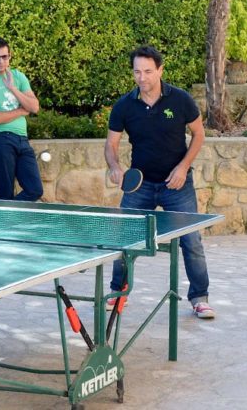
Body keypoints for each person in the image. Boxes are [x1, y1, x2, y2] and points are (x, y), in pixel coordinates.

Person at [104, 45, 214, 319]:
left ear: (160, 70)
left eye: (148, 71)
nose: (142, 77)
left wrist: (183, 167)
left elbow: (199, 134)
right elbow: (111, 143)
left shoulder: (181, 99)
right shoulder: (124, 106)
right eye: (137, 72)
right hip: (139, 186)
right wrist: (115, 167)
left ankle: (200, 298)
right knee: (125, 238)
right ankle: (118, 292)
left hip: (177, 185)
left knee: (191, 240)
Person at [0, 36, 43, 201]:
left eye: (4, 57)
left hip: (22, 139)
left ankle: (6, 213)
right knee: (6, 192)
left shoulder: (18, 77)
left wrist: (13, 88)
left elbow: (34, 107)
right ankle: (5, 215)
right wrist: (21, 111)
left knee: (35, 190)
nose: (1, 61)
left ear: (10, 56)